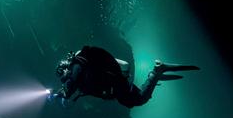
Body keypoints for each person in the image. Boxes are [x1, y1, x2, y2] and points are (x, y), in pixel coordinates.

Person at [54, 45, 199, 108]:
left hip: (116, 83)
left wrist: (64, 93)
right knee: (132, 100)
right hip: (115, 83)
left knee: (139, 99)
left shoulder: (77, 66)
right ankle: (154, 77)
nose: (64, 78)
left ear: (65, 67)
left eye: (62, 74)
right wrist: (64, 92)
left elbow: (73, 82)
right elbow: (74, 84)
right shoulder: (79, 67)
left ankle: (157, 71)